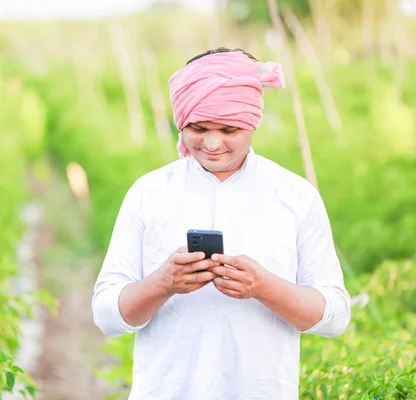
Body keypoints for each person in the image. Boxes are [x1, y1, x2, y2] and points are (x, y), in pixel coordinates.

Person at [91, 48, 351, 399]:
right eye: (197, 128)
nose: (212, 144)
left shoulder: (295, 196)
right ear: (181, 122)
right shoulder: (149, 193)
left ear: (252, 122)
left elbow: (335, 317)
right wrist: (163, 283)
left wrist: (263, 287)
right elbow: (106, 315)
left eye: (229, 129)